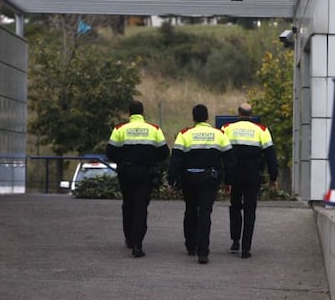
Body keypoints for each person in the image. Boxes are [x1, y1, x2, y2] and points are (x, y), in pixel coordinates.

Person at [167, 104, 235, 264]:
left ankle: (190, 245)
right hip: (209, 179)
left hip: (189, 178)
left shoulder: (184, 134)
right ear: (207, 117)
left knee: (190, 210)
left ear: (193, 118)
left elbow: (175, 159)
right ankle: (203, 252)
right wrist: (228, 181)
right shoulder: (219, 134)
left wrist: (171, 180)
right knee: (205, 214)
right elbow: (230, 160)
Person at [106, 100, 169, 258]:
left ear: (129, 113)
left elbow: (110, 152)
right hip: (145, 173)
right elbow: (164, 153)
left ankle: (129, 237)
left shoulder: (119, 129)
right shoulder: (154, 129)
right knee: (141, 207)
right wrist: (151, 158)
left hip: (126, 172)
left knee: (128, 204)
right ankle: (137, 245)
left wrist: (122, 158)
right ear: (142, 113)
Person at [221, 103, 278, 259]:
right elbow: (271, 156)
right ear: (251, 114)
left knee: (235, 206)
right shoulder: (262, 130)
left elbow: (222, 153)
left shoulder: (227, 128)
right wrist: (273, 177)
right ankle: (246, 249)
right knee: (250, 211)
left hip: (235, 175)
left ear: (239, 113)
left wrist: (225, 179)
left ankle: (235, 239)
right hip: (253, 176)